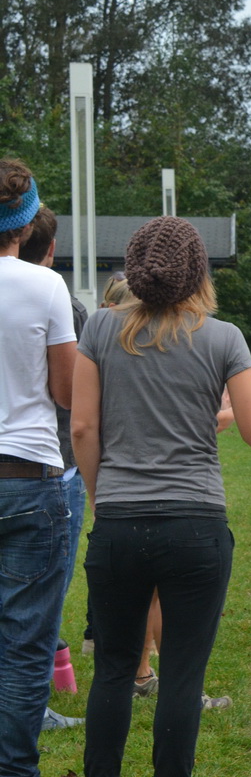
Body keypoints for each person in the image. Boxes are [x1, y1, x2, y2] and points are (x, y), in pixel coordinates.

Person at [73, 215, 251, 777]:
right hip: (195, 520)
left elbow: (82, 428)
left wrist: (104, 501)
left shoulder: (100, 327)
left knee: (116, 665)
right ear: (199, 272)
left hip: (120, 518)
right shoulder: (223, 337)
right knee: (181, 666)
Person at [0, 159, 81, 777]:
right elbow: (63, 391)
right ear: (27, 222)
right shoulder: (45, 287)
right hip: (30, 475)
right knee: (27, 641)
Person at [18, 205, 89, 732]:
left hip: (35, 464)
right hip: (42, 466)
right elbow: (69, 395)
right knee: (33, 613)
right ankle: (27, 726)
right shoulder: (51, 293)